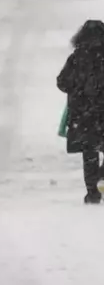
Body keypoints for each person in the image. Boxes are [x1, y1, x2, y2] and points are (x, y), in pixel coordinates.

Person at [57, 19, 104, 204]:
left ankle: (92, 193)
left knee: (89, 153)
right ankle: (102, 176)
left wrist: (78, 90)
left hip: (83, 115)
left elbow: (62, 82)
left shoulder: (76, 57)